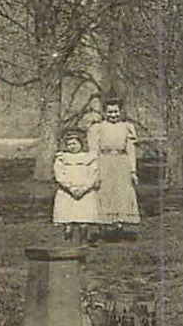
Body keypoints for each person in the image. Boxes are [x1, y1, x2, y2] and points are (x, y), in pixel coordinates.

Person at [87, 97, 141, 238]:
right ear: (104, 112)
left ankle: (119, 225)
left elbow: (131, 150)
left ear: (120, 112)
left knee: (121, 192)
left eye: (116, 112)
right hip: (104, 161)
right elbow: (93, 150)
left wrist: (133, 170)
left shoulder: (127, 127)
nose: (113, 115)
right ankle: (104, 225)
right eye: (110, 112)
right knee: (105, 192)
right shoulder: (98, 128)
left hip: (122, 162)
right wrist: (94, 169)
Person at [52, 129, 101, 243]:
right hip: (67, 192)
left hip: (85, 192)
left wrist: (84, 188)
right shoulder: (61, 158)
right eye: (69, 144)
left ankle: (83, 242)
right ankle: (68, 241)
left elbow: (93, 174)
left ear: (81, 143)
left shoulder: (89, 157)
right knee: (68, 219)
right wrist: (70, 188)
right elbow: (59, 175)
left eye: (74, 143)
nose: (72, 146)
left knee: (83, 219)